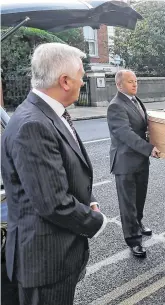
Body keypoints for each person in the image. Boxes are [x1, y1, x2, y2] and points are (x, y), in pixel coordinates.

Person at [0, 43, 107, 305]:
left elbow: (65, 168)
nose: (84, 81)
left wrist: (88, 198)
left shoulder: (46, 114)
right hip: (44, 263)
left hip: (51, 257)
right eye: (81, 75)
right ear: (65, 81)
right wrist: (96, 220)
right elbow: (53, 203)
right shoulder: (33, 124)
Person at [107, 70, 160, 258]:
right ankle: (133, 240)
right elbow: (125, 134)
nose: (135, 84)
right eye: (130, 82)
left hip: (140, 161)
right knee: (128, 204)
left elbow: (145, 126)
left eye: (136, 81)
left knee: (139, 198)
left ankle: (138, 223)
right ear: (119, 85)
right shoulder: (116, 106)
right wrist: (148, 148)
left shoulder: (136, 101)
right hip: (125, 162)